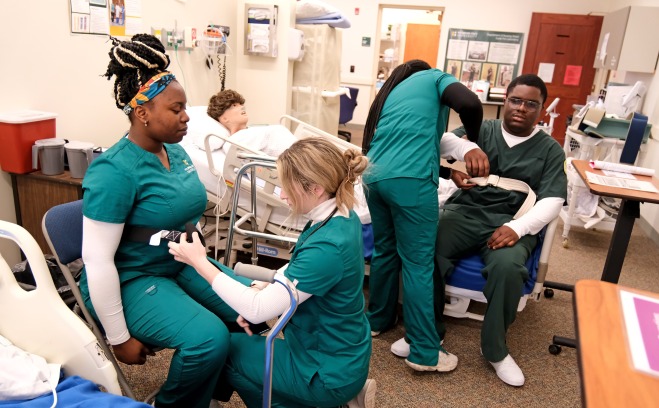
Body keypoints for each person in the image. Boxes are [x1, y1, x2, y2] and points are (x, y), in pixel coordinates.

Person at [80, 33, 250, 408]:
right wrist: (118, 336)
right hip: (131, 277)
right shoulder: (114, 171)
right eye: (176, 109)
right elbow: (96, 260)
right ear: (142, 113)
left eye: (185, 107)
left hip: (177, 263)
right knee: (208, 337)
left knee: (251, 309)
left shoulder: (176, 151)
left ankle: (208, 387)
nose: (187, 116)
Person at [169, 138, 375, 408]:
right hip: (344, 352)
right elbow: (303, 270)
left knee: (223, 353)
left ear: (315, 188)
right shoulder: (340, 214)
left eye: (286, 187)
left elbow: (257, 310)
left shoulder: (328, 246)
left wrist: (199, 262)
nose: (282, 196)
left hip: (326, 372)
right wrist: (269, 286)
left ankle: (322, 401)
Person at [391, 74, 567, 387]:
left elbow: (553, 201)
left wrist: (518, 228)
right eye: (515, 100)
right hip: (464, 212)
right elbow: (441, 141)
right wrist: (459, 158)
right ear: (505, 101)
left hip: (512, 220)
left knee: (509, 268)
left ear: (541, 110)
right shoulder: (482, 129)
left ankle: (496, 351)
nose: (521, 108)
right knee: (424, 248)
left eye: (531, 104)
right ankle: (424, 334)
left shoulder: (550, 150)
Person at [362, 59, 488, 373]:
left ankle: (377, 320)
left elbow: (430, 138)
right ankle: (424, 352)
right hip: (411, 181)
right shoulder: (434, 78)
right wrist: (473, 140)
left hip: (374, 178)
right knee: (418, 264)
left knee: (384, 252)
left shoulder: (390, 94)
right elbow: (470, 103)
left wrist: (460, 149)